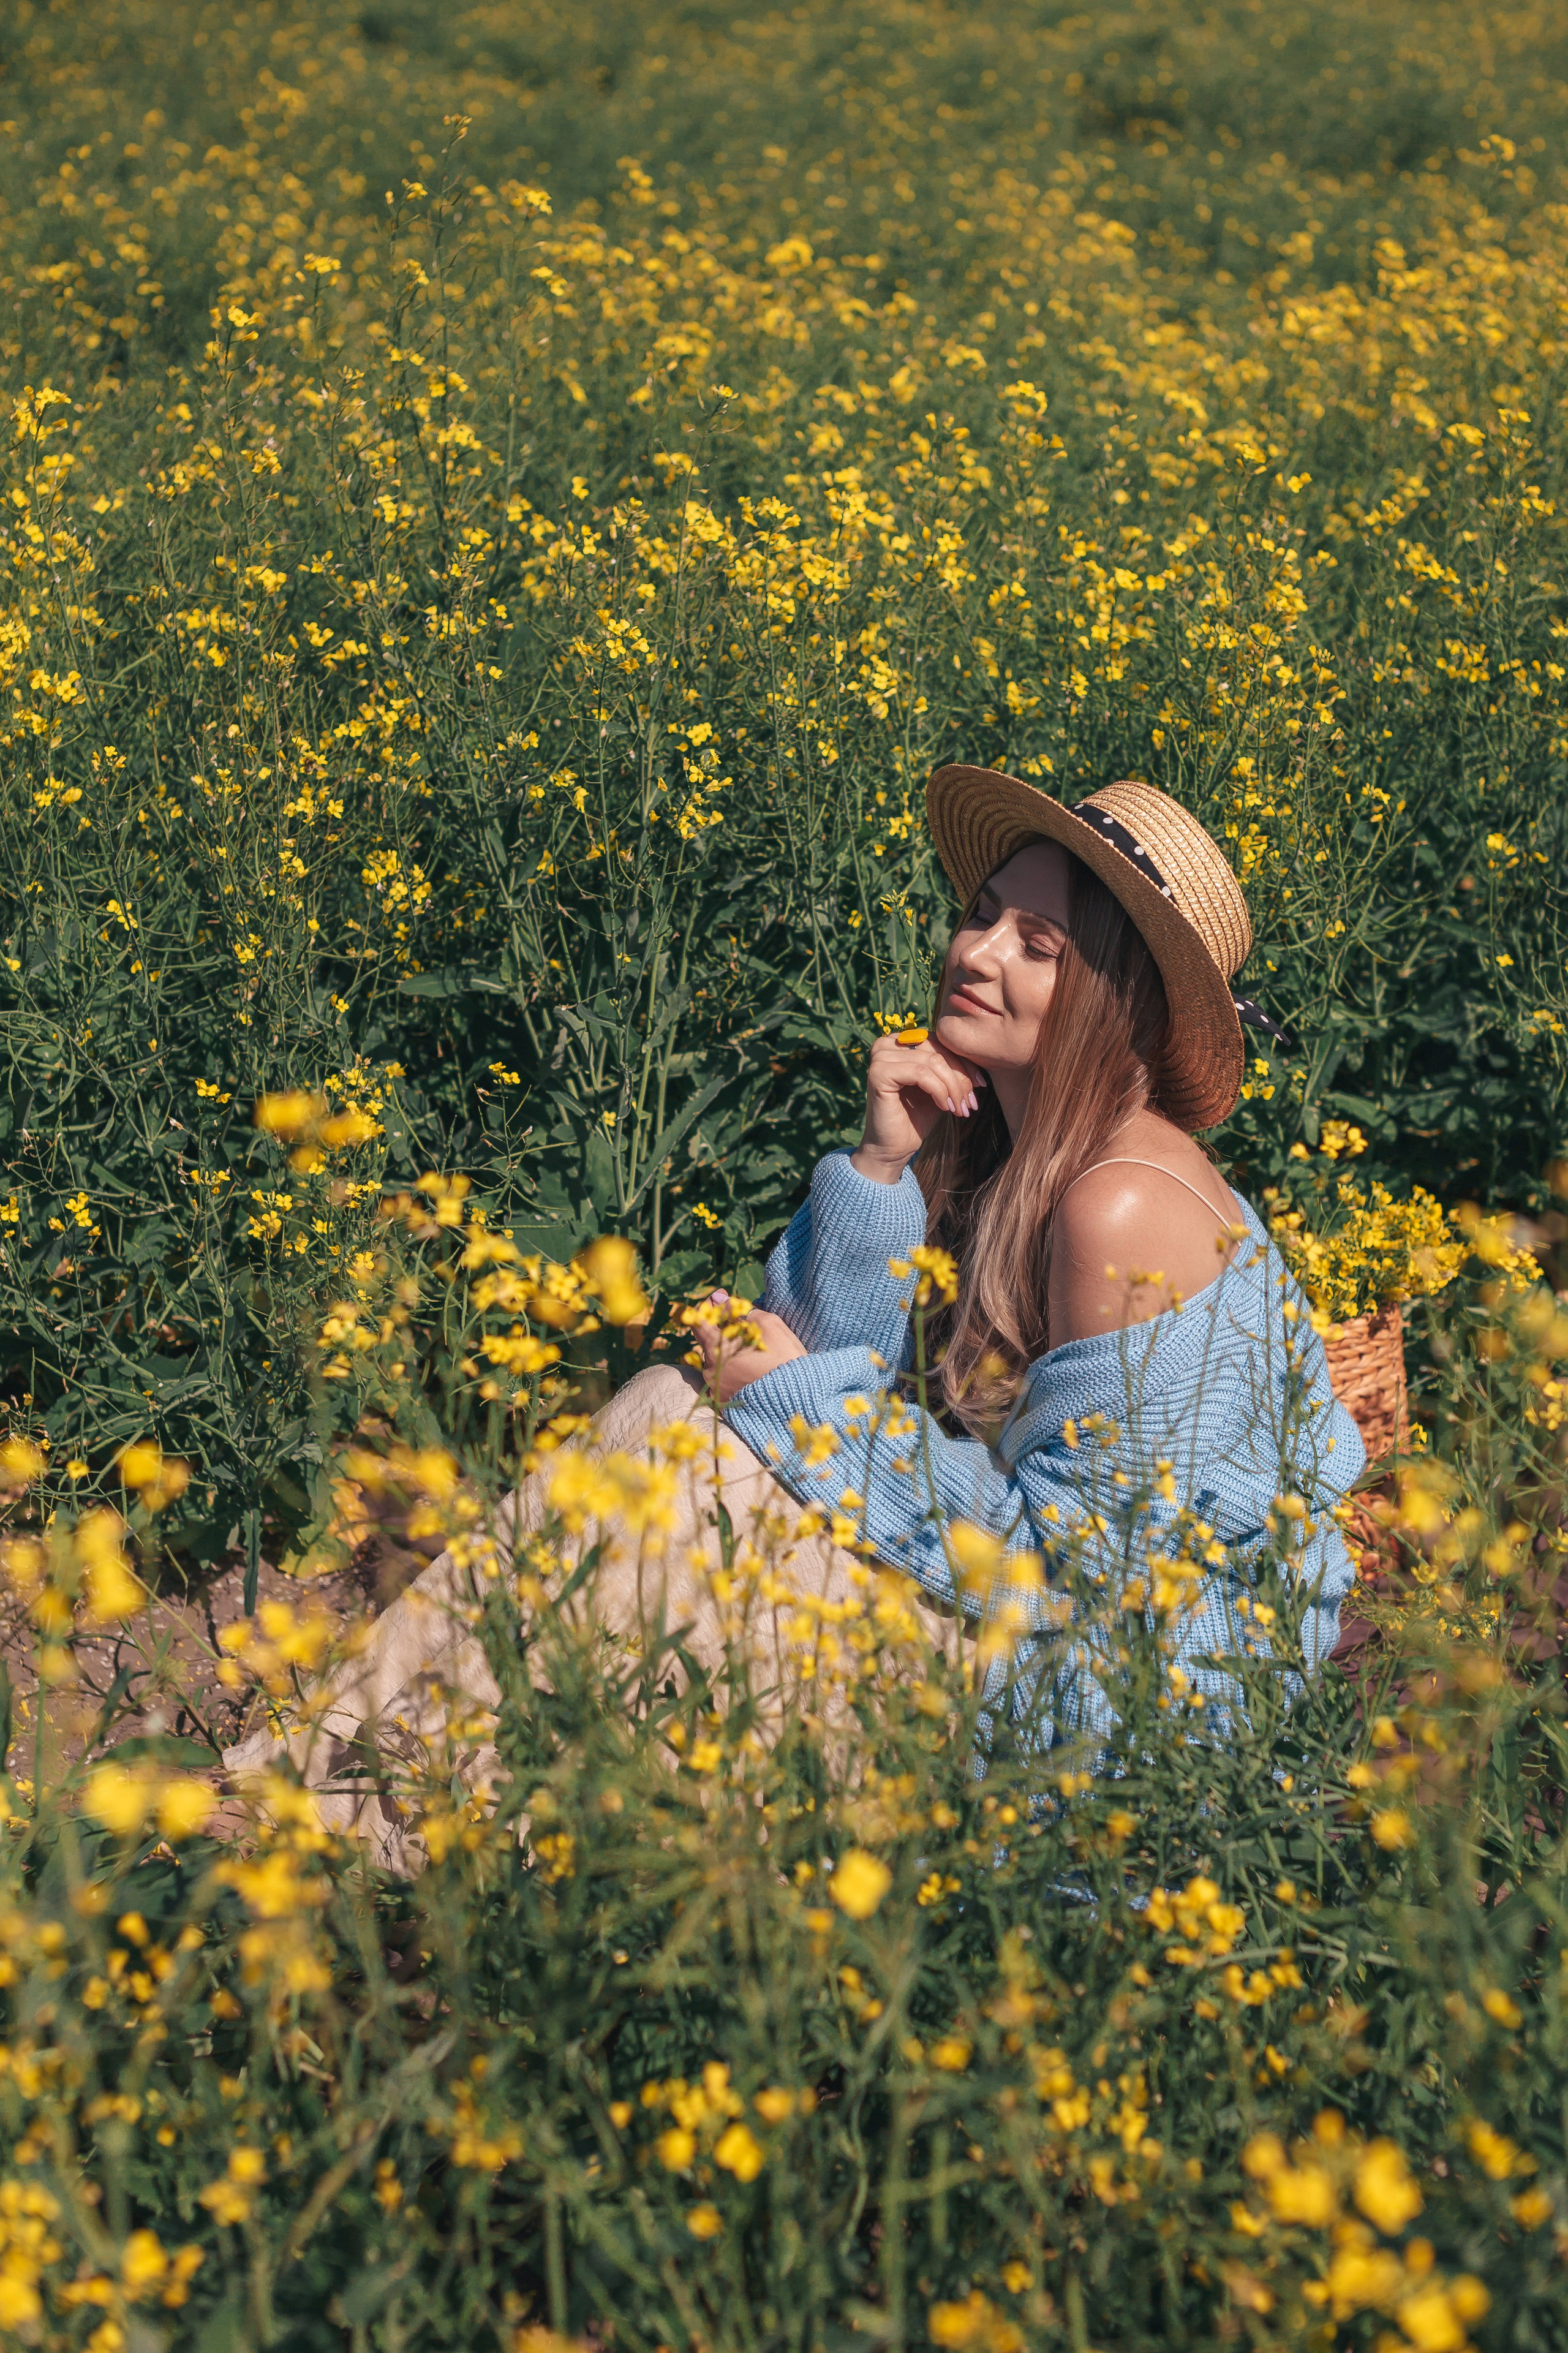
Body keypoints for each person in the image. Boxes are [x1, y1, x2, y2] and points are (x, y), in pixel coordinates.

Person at [224, 767, 1364, 1862]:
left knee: (695, 1463)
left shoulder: (1118, 1204)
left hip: (1114, 1726)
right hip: (1041, 1634)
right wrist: (881, 1167)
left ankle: (368, 1809)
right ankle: (357, 1787)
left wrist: (786, 1396)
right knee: (676, 1411)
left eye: (1039, 945)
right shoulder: (1023, 1152)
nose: (975, 953)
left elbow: (1068, 1576)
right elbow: (827, 1350)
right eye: (982, 915)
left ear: (1112, 997)